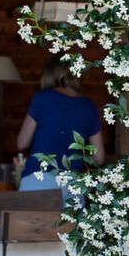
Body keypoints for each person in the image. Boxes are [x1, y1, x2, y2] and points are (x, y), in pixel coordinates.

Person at [16, 59, 103, 189]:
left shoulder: (42, 98)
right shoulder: (89, 106)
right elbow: (99, 157)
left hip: (37, 180)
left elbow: (22, 143)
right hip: (72, 183)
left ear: (49, 74)